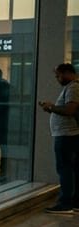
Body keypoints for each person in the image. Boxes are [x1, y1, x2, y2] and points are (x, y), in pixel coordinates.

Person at [37, 63, 79, 214]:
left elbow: (70, 110)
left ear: (67, 73)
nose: (57, 79)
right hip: (70, 134)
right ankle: (75, 202)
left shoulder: (73, 87)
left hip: (67, 135)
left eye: (58, 75)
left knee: (65, 168)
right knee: (72, 168)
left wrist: (51, 107)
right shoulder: (73, 87)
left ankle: (65, 203)